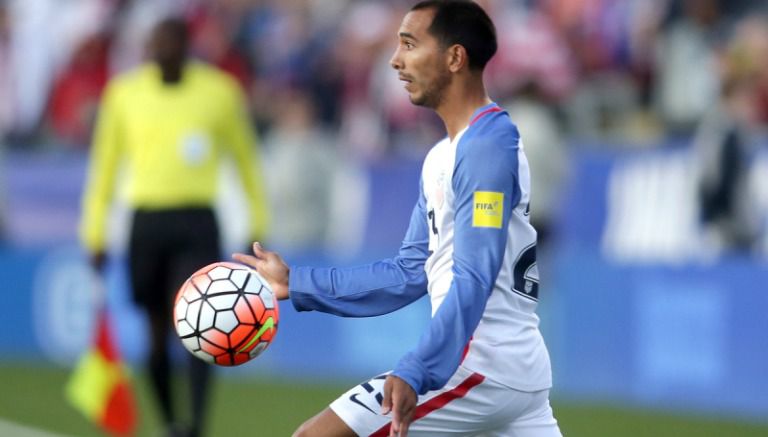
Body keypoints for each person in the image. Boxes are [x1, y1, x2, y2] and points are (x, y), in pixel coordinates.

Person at [235, 1, 561, 436]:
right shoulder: (443, 155)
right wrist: (297, 283)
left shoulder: (487, 144)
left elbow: (475, 275)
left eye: (409, 44)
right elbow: (408, 272)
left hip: (485, 364)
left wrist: (417, 368)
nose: (396, 60)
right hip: (513, 368)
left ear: (454, 57)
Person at [79, 17, 269, 437]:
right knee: (154, 333)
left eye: (171, 44)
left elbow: (246, 163)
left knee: (203, 325)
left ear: (187, 47)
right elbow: (104, 171)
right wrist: (94, 232)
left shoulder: (219, 93)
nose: (162, 51)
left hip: (197, 222)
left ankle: (196, 426)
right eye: (156, 44)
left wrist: (257, 224)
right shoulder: (124, 94)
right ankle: (170, 422)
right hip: (146, 222)